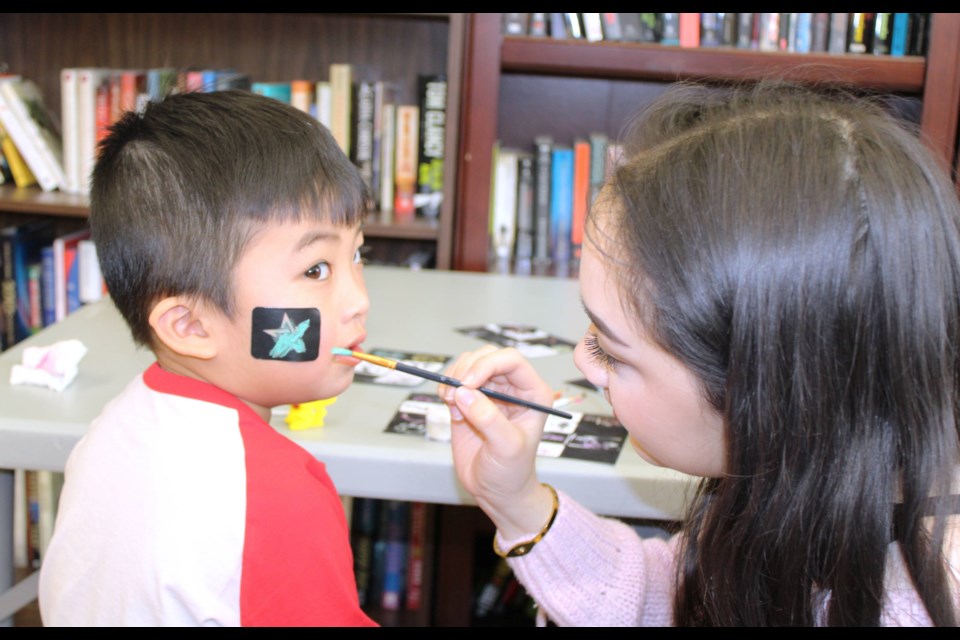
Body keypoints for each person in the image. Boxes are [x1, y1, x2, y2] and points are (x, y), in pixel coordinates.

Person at [440, 81, 960, 626]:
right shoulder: (797, 497)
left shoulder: (903, 606)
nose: (583, 362)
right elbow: (677, 599)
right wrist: (518, 503)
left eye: (612, 350)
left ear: (758, 391)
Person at [38, 90, 377, 627]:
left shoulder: (114, 429)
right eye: (316, 270)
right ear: (190, 327)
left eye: (356, 254)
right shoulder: (277, 496)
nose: (359, 299)